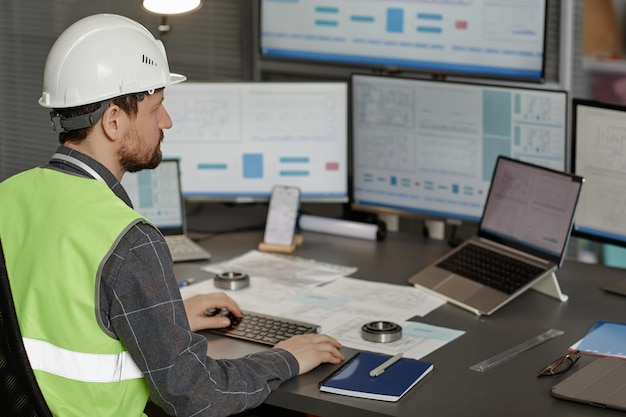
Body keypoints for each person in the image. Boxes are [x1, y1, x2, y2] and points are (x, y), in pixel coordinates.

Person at [0, 13, 344, 417]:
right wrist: (287, 357)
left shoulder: (9, 194)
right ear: (114, 120)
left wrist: (167, 319)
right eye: (156, 107)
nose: (167, 121)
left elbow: (54, 312)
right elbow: (197, 396)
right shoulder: (128, 239)